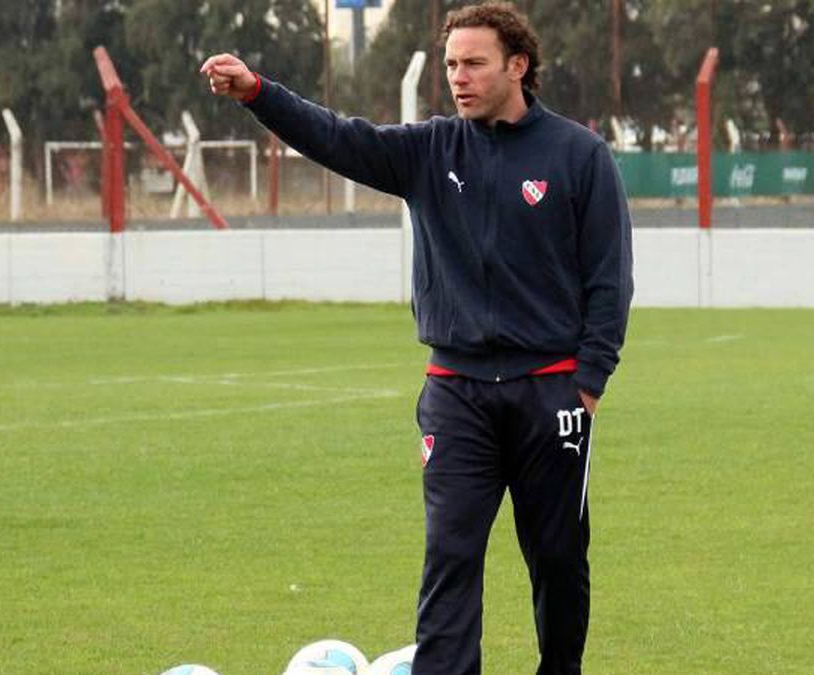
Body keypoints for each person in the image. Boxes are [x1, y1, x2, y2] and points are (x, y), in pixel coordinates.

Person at [202, 2, 632, 673]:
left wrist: (589, 385)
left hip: (552, 392)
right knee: (450, 553)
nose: (458, 77)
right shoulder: (428, 151)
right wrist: (260, 93)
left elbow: (609, 279)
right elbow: (335, 137)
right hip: (455, 392)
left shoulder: (579, 156)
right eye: (451, 64)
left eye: (474, 63)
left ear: (517, 66)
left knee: (556, 556)